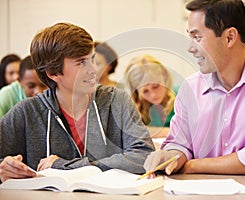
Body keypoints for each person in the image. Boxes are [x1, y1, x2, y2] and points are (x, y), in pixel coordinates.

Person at [144, 0, 245, 176]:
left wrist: (191, 166)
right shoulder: (191, 88)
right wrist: (170, 157)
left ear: (229, 37)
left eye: (197, 37)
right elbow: (180, 144)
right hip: (200, 189)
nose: (190, 48)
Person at [0, 22, 155, 182]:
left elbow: (144, 156)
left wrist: (67, 165)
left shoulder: (117, 100)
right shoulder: (26, 112)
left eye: (92, 59)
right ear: (53, 73)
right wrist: (2, 170)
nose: (94, 70)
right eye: (81, 63)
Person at [125, 54, 177, 138]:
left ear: (164, 76)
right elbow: (131, 131)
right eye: (145, 91)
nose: (153, 95)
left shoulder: (181, 95)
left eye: (156, 86)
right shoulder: (134, 104)